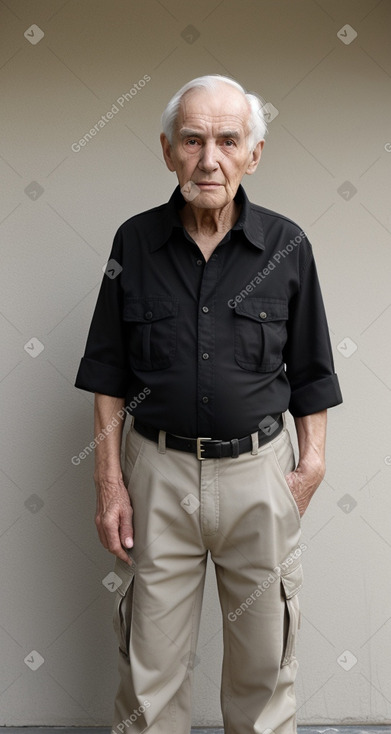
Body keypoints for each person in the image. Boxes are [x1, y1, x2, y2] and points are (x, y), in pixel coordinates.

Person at [75, 74, 342, 734]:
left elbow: (311, 371)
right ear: (167, 151)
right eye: (192, 140)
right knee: (147, 678)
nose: (209, 158)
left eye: (228, 140)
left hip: (259, 476)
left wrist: (311, 467)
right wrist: (110, 482)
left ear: (254, 152)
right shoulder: (132, 244)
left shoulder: (287, 246)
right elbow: (107, 370)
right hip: (156, 478)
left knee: (264, 672)